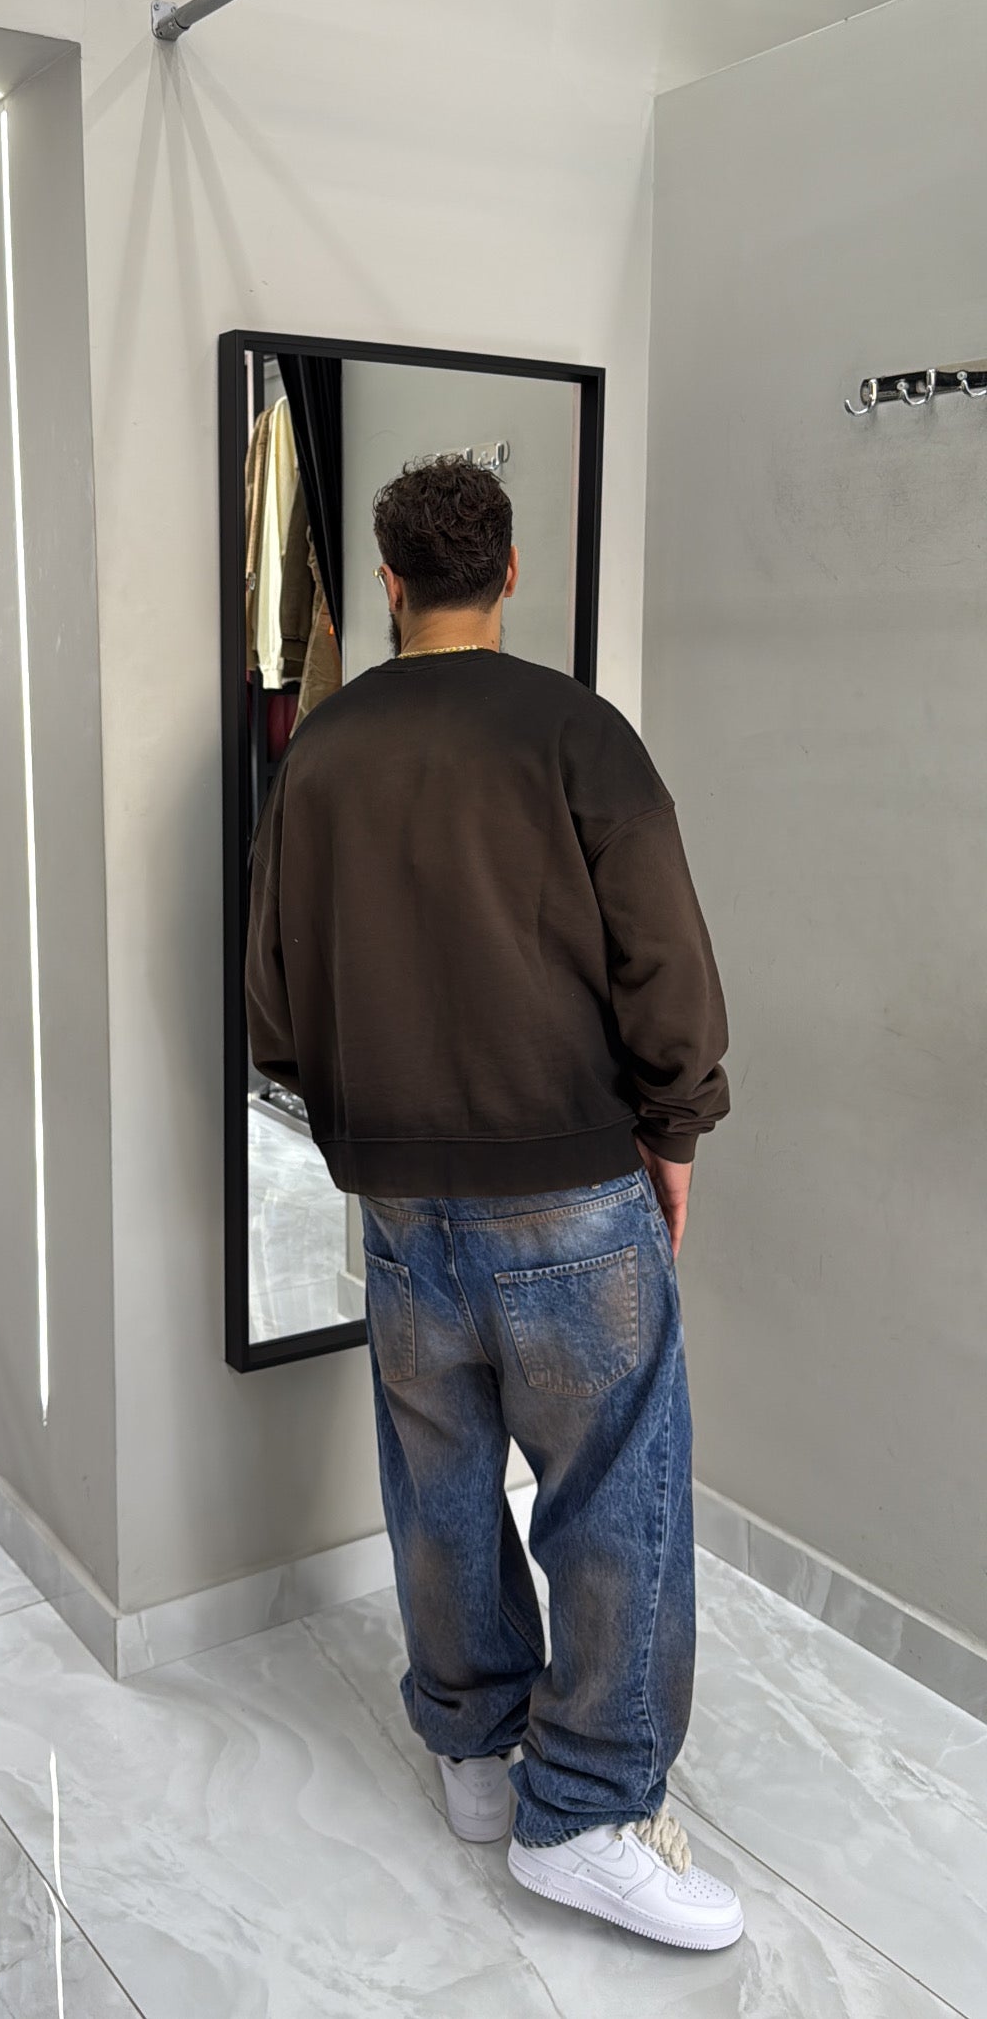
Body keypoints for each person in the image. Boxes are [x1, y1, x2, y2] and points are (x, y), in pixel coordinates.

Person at [246, 456, 742, 1954]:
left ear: (388, 581)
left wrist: (361, 1118)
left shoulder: (322, 752)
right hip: (568, 1186)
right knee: (614, 1491)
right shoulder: (578, 733)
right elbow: (665, 956)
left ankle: (474, 1750)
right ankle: (584, 1813)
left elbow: (275, 1001)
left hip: (399, 1198)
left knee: (440, 1474)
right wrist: (675, 1127)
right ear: (510, 573)